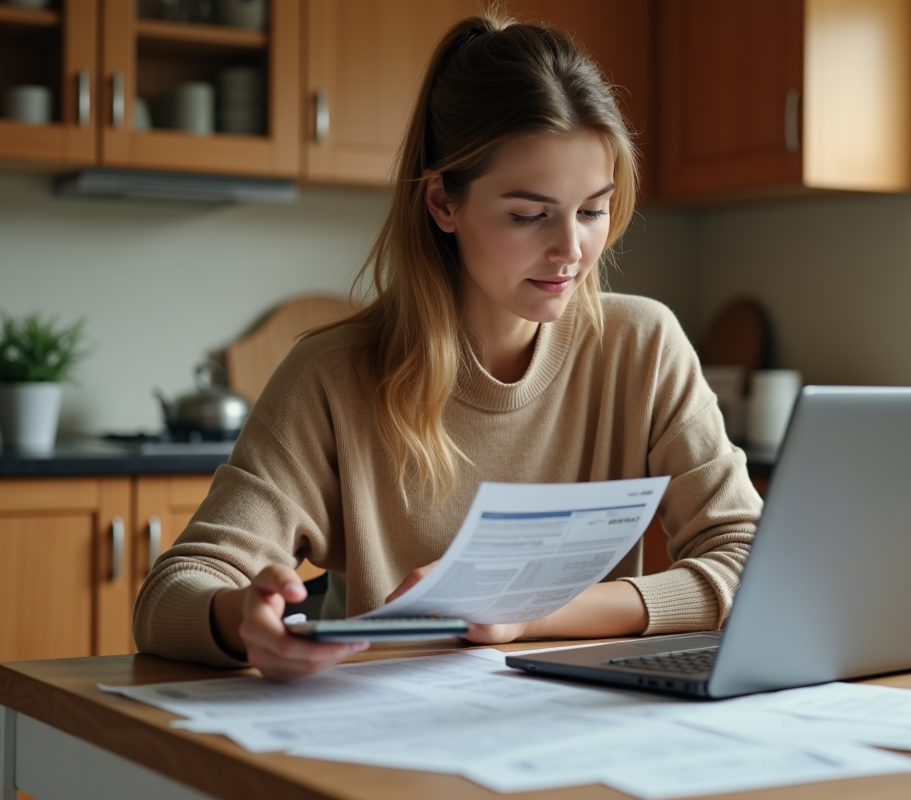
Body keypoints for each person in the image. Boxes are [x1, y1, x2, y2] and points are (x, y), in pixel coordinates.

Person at [133, 12, 762, 681]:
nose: (571, 251)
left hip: (585, 731)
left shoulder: (643, 347)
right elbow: (171, 592)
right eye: (528, 215)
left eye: (592, 210)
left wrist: (533, 616)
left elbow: (750, 559)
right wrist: (243, 623)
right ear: (442, 203)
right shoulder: (332, 376)